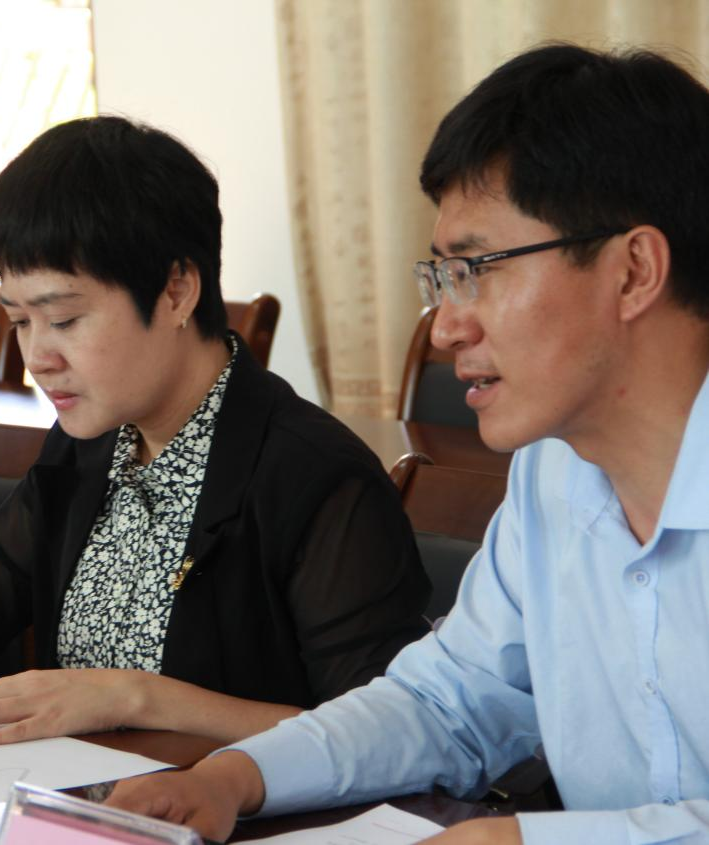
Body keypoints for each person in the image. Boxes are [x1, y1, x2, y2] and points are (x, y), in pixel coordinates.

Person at [106, 43, 709, 844]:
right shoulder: (552, 472)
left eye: (476, 268)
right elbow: (444, 701)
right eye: (442, 278)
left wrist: (520, 840)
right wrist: (234, 776)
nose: (446, 327)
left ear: (632, 270)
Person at [0, 115, 429, 745]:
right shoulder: (92, 443)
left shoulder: (315, 478)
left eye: (64, 320)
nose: (38, 358)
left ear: (176, 292)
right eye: (19, 322)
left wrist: (134, 698)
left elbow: (388, 736)